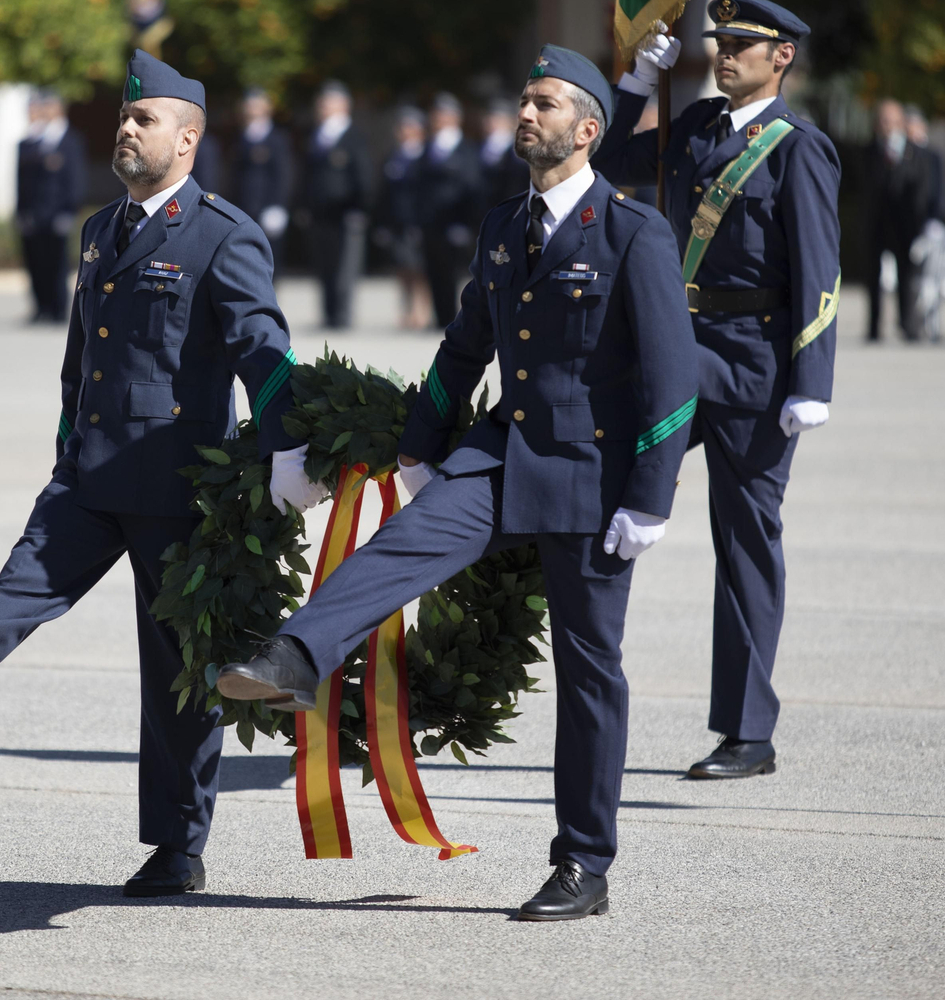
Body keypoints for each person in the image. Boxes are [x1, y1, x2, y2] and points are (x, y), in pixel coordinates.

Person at [217, 45, 697, 921]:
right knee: (404, 540)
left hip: (592, 477)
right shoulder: (502, 226)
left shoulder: (634, 233)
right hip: (501, 454)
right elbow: (465, 345)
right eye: (524, 99)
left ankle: (583, 865)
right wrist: (418, 442)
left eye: (545, 103)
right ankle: (296, 655)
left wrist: (650, 498)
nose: (527, 112)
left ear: (588, 131)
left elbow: (674, 381)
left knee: (592, 672)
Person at [0, 50, 326, 898]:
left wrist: (289, 449)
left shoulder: (222, 232)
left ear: (189, 138)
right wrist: (66, 445)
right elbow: (83, 357)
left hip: (178, 484)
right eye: (124, 119)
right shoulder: (103, 228)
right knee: (19, 585)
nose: (127, 130)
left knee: (172, 669)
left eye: (145, 120)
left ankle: (179, 849)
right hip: (91, 473)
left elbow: (265, 350)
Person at [593, 0, 841, 780]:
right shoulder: (694, 124)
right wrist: (634, 86)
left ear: (783, 58)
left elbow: (817, 271)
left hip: (754, 366)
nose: (724, 54)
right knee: (607, 502)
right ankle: (593, 689)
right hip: (671, 350)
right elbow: (603, 164)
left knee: (744, 542)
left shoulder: (800, 148)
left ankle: (747, 732)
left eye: (742, 44)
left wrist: (812, 381)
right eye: (720, 42)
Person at [300, 81, 372, 329]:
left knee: (345, 269)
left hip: (345, 213)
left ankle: (342, 316)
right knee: (324, 266)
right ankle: (329, 314)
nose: (322, 106)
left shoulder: (353, 136)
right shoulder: (318, 135)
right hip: (321, 213)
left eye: (329, 101)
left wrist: (359, 208)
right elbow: (309, 176)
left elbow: (363, 175)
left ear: (344, 105)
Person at [15, 88, 87, 324]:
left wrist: (69, 210)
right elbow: (24, 182)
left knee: (56, 264)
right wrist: (21, 211)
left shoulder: (70, 140)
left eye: (48, 106)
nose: (43, 111)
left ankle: (56, 309)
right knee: (35, 262)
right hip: (35, 212)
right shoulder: (36, 139)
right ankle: (41, 307)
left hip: (57, 211)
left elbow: (75, 179)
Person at [862, 99, 932, 342]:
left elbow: (923, 190)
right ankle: (874, 327)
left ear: (902, 123)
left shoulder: (916, 153)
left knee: (907, 278)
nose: (887, 126)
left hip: (905, 226)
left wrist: (920, 224)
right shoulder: (869, 151)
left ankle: (908, 324)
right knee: (873, 278)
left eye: (892, 121)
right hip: (876, 224)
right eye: (882, 121)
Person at [419, 92, 485, 327]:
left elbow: (472, 185)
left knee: (458, 274)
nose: (438, 118)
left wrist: (466, 222)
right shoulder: (428, 147)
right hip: (432, 223)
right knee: (435, 273)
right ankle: (441, 317)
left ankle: (459, 321)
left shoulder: (466, 148)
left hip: (455, 222)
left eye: (444, 113)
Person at [228, 88, 293, 273]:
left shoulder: (277, 138)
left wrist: (278, 206)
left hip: (267, 209)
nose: (251, 108)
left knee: (269, 264)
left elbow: (283, 174)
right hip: (244, 208)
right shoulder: (241, 137)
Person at [379, 105, 432, 329]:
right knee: (402, 269)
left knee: (420, 270)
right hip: (398, 221)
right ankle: (407, 310)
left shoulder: (425, 155)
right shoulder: (395, 156)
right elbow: (384, 193)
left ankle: (423, 311)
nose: (405, 130)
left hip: (419, 221)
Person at [480, 97, 530, 211]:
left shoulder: (516, 152)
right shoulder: (481, 146)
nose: (491, 122)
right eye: (490, 118)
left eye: (498, 119)